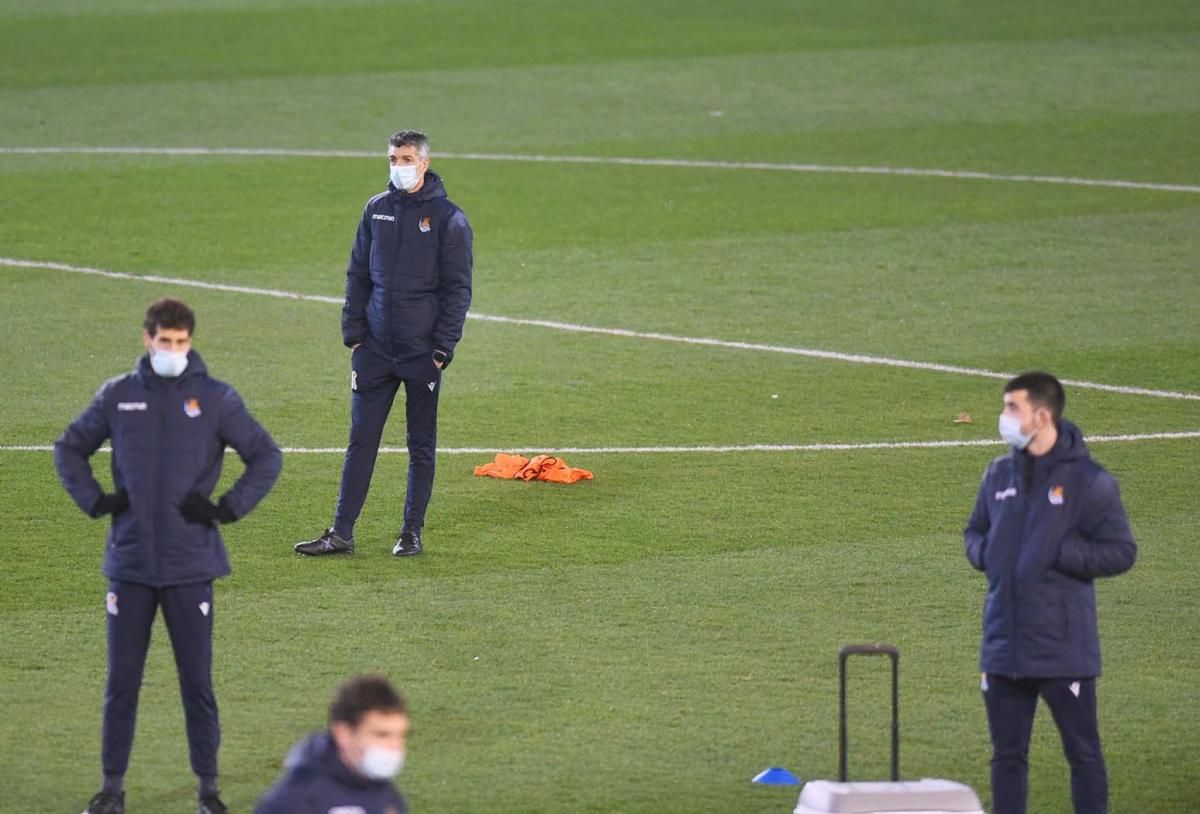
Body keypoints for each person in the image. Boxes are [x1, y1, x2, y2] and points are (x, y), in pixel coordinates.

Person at [55, 297, 283, 814]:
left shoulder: (216, 398)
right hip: (130, 565)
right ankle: (111, 790)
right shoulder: (119, 396)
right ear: (147, 339)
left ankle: (208, 793)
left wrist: (228, 509)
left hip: (190, 566)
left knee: (197, 685)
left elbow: (266, 455)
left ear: (190, 342)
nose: (172, 351)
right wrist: (95, 500)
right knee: (121, 684)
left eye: (181, 343)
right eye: (165, 342)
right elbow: (69, 446)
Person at [964, 372, 1137, 814]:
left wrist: (1062, 552)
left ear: (1041, 416)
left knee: (1083, 756)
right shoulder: (998, 473)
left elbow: (1120, 551)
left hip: (1063, 646)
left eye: (1011, 408)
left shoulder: (1090, 482)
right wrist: (990, 554)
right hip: (1003, 644)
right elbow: (974, 532)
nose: (1003, 417)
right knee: (1006, 758)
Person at [295, 128, 473, 559]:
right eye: (393, 159)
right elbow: (358, 274)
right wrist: (354, 335)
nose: (398, 167)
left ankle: (411, 532)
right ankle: (341, 532)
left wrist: (441, 349)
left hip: (421, 353)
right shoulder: (376, 210)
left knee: (420, 445)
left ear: (424, 163)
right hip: (373, 350)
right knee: (361, 439)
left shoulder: (450, 220)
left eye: (406, 159)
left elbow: (458, 290)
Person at [255, 675, 410, 813]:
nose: (395, 746)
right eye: (381, 735)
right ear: (344, 734)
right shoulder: (294, 802)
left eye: (400, 735)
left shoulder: (387, 795)